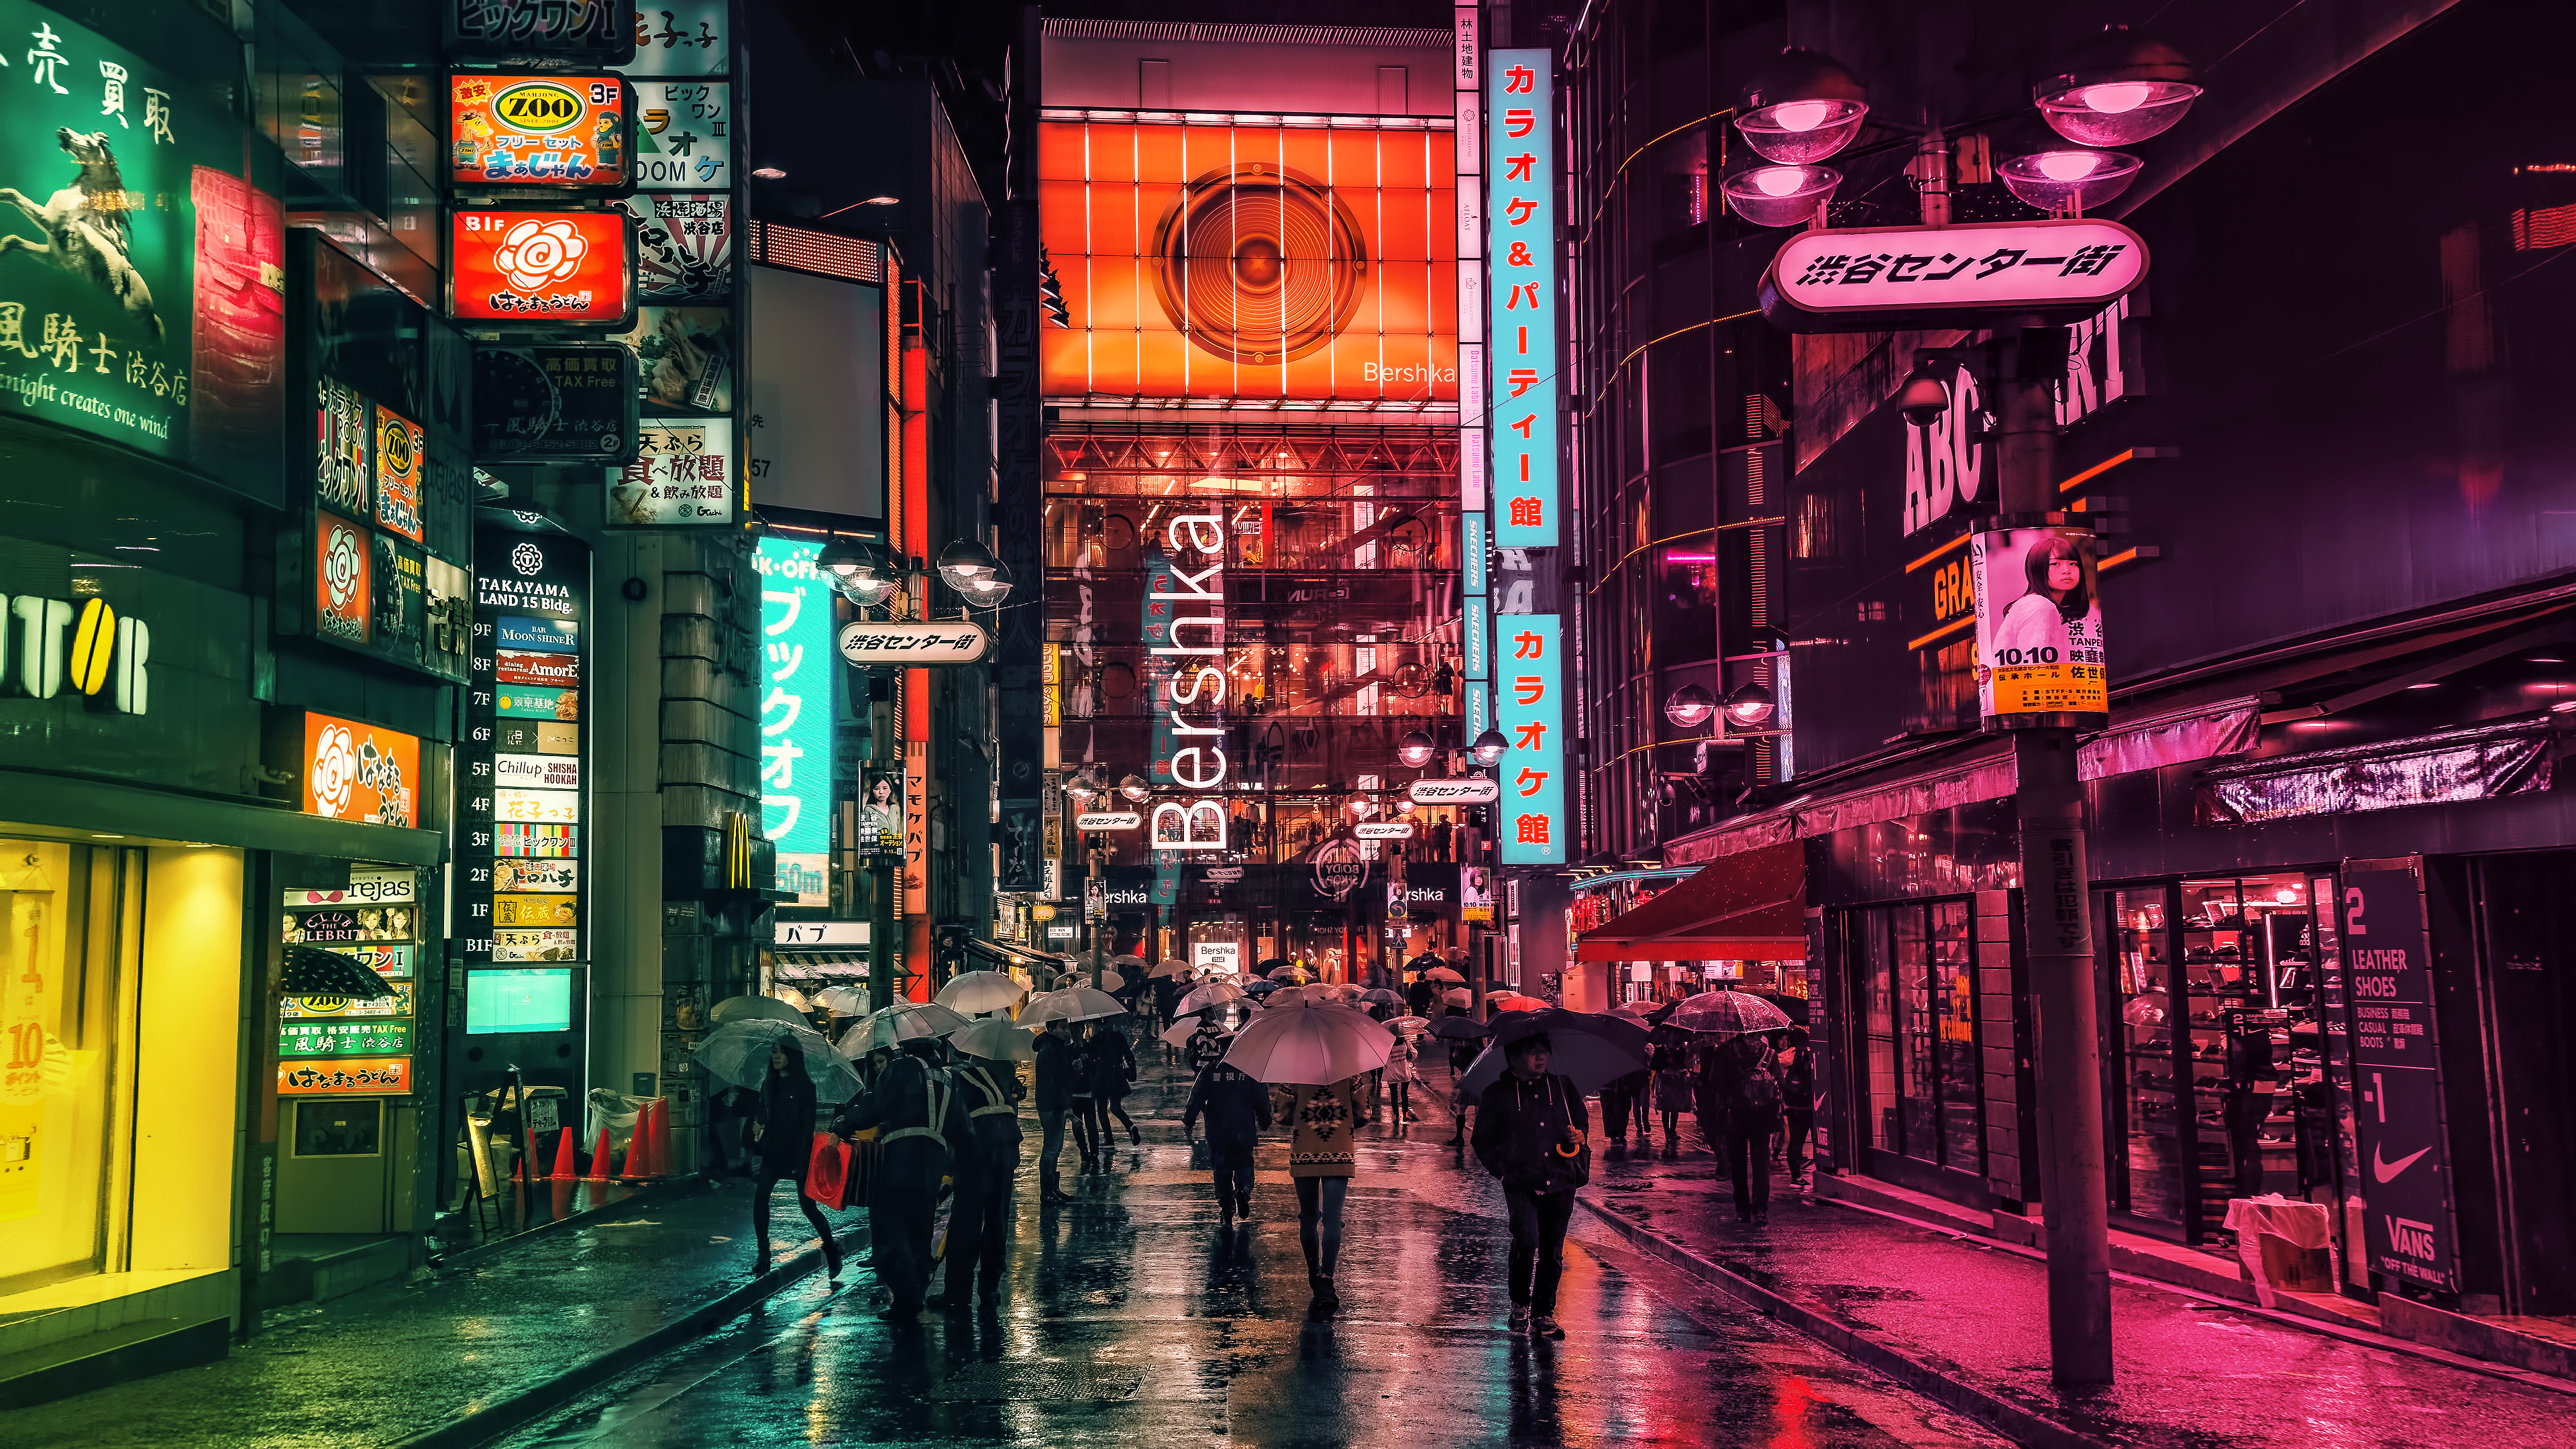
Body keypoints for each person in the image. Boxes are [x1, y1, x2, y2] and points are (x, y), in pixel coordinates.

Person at [831, 1035, 963, 1320]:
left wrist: (844, 1122)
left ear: (905, 1048)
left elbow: (877, 1105)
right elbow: (962, 1128)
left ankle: (905, 1298)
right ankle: (916, 1290)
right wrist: (956, 1167)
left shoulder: (902, 1069)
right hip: (933, 1162)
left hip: (900, 1158)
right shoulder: (949, 1079)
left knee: (889, 1227)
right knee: (919, 1227)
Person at [1472, 1032, 1588, 1338]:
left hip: (1561, 1178)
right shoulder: (1497, 1093)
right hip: (1521, 1181)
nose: (1540, 1058)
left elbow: (1581, 1123)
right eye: (1532, 1053)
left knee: (1552, 1250)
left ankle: (1543, 1314)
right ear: (1513, 1058)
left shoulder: (1562, 1088)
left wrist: (1580, 1136)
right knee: (1526, 1241)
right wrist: (1504, 1171)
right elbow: (1482, 1140)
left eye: (1543, 1052)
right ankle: (1519, 1304)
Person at [928, 1044, 1024, 1311]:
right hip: (1008, 1142)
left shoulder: (948, 1079)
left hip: (981, 1143)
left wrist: (949, 1170)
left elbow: (950, 1127)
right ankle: (990, 1290)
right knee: (997, 1220)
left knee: (967, 1220)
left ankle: (957, 1293)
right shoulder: (985, 1073)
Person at [745, 1044, 842, 1280]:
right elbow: (761, 1112)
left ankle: (831, 1247)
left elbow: (807, 1126)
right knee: (760, 1200)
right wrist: (757, 1123)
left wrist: (803, 1161)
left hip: (798, 1153)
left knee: (808, 1207)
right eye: (774, 1052)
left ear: (792, 1055)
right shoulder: (769, 1083)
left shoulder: (805, 1087)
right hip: (772, 1152)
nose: (776, 1056)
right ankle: (763, 1254)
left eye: (781, 1052)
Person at [1283, 1073, 1361, 1310]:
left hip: (1304, 1149)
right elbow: (1364, 1113)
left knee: (1308, 1217)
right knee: (1332, 1218)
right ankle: (1327, 1279)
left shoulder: (1294, 1073)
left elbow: (1281, 1113)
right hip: (1340, 1149)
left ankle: (1313, 1272)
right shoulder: (1350, 1073)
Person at [1701, 1032, 1783, 1226]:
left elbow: (1714, 1083)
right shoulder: (1769, 1053)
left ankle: (1742, 1210)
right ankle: (1761, 1211)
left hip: (1735, 1115)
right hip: (1762, 1115)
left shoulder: (1725, 1052)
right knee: (1761, 1163)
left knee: (1738, 1164)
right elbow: (1781, 1082)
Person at [1183, 1054, 1271, 1226]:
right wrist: (1265, 1119)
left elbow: (1197, 1094)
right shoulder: (1249, 1070)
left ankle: (1227, 1209)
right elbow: (1261, 1097)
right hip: (1243, 1130)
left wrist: (1189, 1119)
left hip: (1218, 1131)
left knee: (1221, 1170)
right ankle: (1243, 1191)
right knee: (1244, 1164)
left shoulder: (1212, 1069)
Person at [1990, 531, 2097, 665]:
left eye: (2072, 564)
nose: (2067, 570)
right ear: (2038, 568)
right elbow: (2035, 666)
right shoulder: (2040, 607)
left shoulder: (2045, 606)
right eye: (2055, 564)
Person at [1031, 1018, 1078, 1205]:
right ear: (1051, 1030)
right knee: (1051, 1149)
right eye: (1063, 1028)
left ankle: (1052, 1189)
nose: (1067, 1032)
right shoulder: (1050, 1050)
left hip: (1054, 1104)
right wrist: (1063, 1106)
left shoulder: (1058, 1048)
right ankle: (1047, 1193)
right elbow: (1054, 1083)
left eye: (1067, 1028)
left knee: (1055, 1149)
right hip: (1052, 1106)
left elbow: (1064, 1077)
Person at [1086, 1017, 1140, 1155]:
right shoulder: (1118, 1037)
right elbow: (1128, 1055)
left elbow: (1090, 1061)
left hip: (1101, 1079)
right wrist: (1132, 1071)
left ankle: (1108, 1137)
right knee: (1116, 1108)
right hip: (1117, 1076)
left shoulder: (1095, 1040)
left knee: (1102, 1109)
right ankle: (1130, 1126)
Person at [1778, 1027, 1817, 1187]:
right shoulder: (1810, 1053)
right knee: (1818, 1142)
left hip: (1793, 1105)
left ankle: (1796, 1177)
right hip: (1810, 1105)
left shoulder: (1787, 1056)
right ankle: (1821, 1173)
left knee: (1795, 1142)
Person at [1648, 1030, 1693, 1159]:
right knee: (1666, 1106)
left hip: (1677, 1080)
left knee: (1675, 1106)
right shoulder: (1660, 1051)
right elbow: (1654, 1065)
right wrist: (1663, 1068)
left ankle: (1672, 1129)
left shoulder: (1680, 1050)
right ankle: (1667, 1130)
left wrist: (1682, 1069)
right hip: (1665, 1081)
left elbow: (1685, 1063)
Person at [1599, 1065, 1648, 1151]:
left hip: (1622, 1087)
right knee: (1611, 1111)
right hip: (1610, 1087)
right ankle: (1614, 1135)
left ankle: (1619, 1134)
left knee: (1622, 1110)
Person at [1383, 1027, 1421, 1124]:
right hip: (1404, 1072)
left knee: (1394, 1096)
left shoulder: (1387, 1043)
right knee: (1404, 1094)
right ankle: (1405, 1116)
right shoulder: (1406, 1042)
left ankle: (1396, 1117)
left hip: (1392, 1073)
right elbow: (1414, 1054)